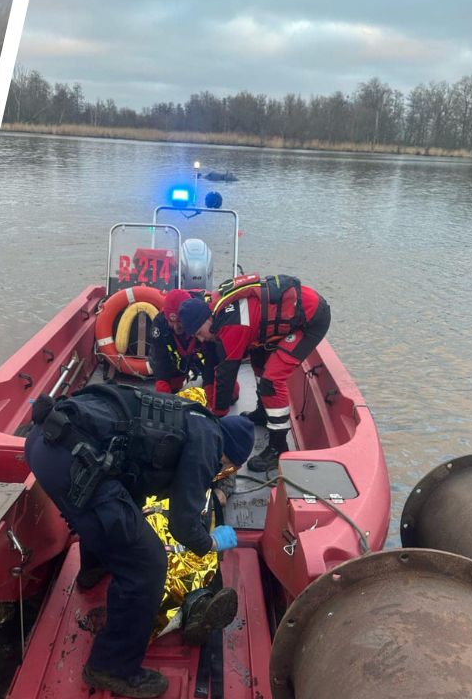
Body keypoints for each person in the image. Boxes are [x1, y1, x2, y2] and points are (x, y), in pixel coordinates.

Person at [24, 383, 255, 698]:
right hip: (74, 459)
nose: (223, 471)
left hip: (45, 441)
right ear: (232, 460)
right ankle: (111, 667)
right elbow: (184, 525)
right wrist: (212, 542)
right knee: (146, 565)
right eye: (228, 468)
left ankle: (93, 569)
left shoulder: (187, 416)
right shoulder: (209, 443)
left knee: (112, 513)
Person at [179, 274, 331, 472]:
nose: (201, 339)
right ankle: (262, 411)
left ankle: (278, 448)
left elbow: (227, 374)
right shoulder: (216, 309)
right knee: (258, 359)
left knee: (272, 379)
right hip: (286, 319)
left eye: (200, 333)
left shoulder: (232, 325)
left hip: (311, 320)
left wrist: (216, 419)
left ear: (207, 319)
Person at [151, 289, 237, 405]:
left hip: (203, 356)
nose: (177, 327)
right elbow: (160, 360)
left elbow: (213, 358)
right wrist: (163, 396)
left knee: (231, 395)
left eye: (180, 322)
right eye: (172, 322)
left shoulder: (201, 316)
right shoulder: (160, 323)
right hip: (179, 360)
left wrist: (211, 392)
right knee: (168, 390)